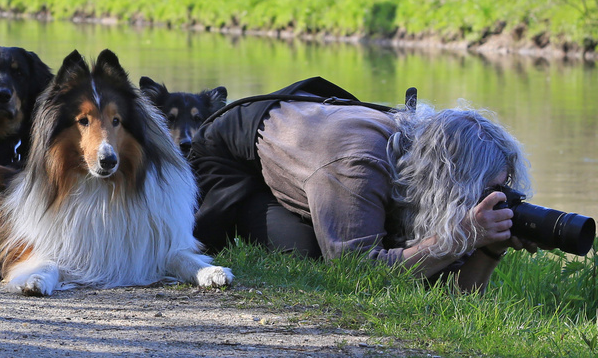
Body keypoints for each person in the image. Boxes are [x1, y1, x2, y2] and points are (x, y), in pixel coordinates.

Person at [188, 78, 531, 291]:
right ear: (448, 182)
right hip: (233, 156)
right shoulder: (357, 165)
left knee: (409, 252)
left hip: (316, 148)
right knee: (308, 253)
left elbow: (454, 292)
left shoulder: (415, 172)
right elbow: (357, 272)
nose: (493, 200)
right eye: (486, 190)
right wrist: (454, 239)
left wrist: (488, 246)